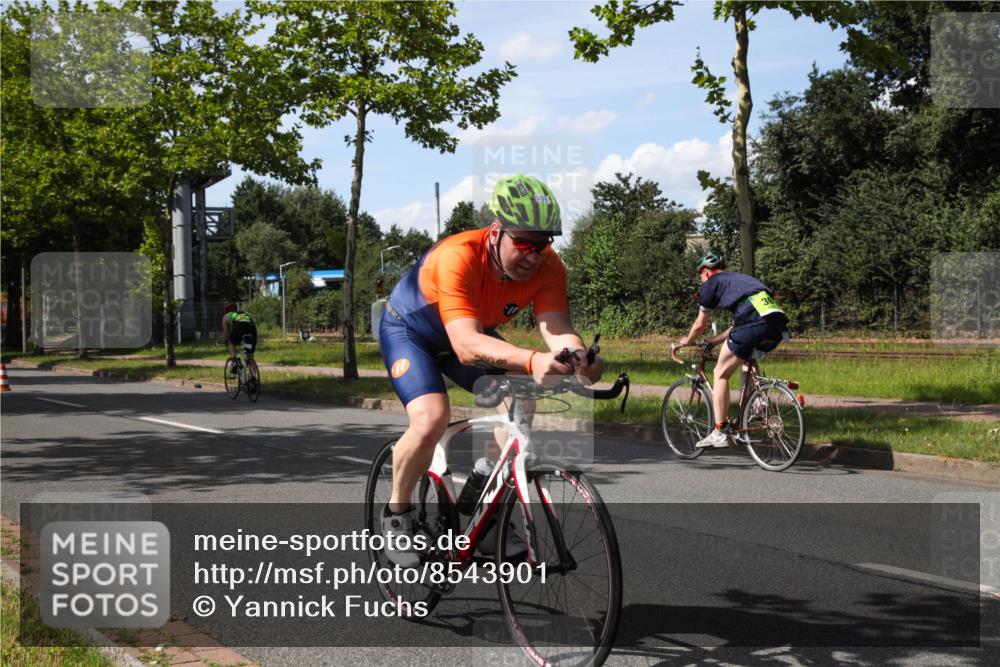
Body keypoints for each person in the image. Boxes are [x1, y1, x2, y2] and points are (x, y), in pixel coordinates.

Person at [378, 174, 603, 567]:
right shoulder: (459, 255)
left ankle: (489, 508)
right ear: (496, 231)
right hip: (411, 334)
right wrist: (533, 361)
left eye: (544, 243)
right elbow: (466, 346)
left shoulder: (548, 266)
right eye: (525, 244)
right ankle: (396, 517)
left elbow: (556, 326)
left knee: (522, 402)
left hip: (469, 333)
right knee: (432, 418)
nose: (535, 255)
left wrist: (578, 356)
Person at [672, 252, 790, 449]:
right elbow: (739, 326)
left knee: (720, 373)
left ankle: (720, 431)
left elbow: (700, 323)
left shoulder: (711, 284)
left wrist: (686, 340)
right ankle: (758, 405)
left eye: (700, 275)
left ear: (706, 272)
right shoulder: (741, 281)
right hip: (776, 326)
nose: (701, 280)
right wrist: (715, 340)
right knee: (746, 359)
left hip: (752, 324)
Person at [222, 304, 257, 373]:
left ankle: (235, 361)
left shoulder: (226, 316)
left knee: (231, 341)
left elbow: (226, 334)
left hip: (239, 326)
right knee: (250, 357)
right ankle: (255, 378)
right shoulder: (244, 314)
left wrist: (226, 341)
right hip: (252, 328)